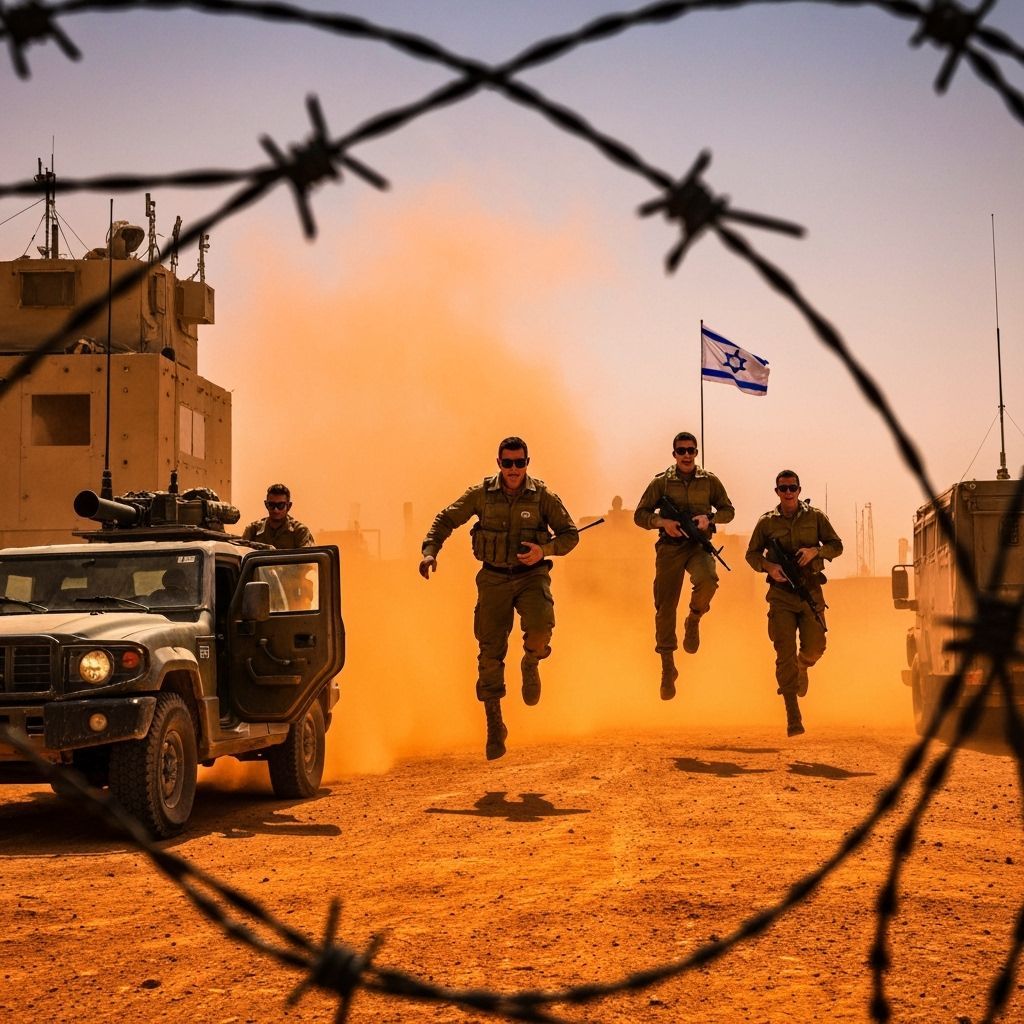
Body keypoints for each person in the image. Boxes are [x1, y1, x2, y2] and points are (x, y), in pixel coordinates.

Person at [419, 437, 579, 760]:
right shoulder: (481, 495)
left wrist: (543, 551)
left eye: (520, 463)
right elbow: (446, 519)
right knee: (489, 652)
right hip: (492, 578)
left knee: (540, 628)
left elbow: (570, 535)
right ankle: (495, 724)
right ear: (499, 463)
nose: (514, 470)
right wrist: (429, 552)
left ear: (527, 463)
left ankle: (531, 662)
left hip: (531, 577)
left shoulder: (542, 497)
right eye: (508, 463)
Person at [634, 432, 734, 700]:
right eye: (682, 451)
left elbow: (728, 510)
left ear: (696, 452)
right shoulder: (661, 483)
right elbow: (640, 515)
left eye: (691, 450)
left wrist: (709, 519)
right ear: (674, 454)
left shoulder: (709, 481)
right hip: (669, 548)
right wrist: (663, 523)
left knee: (709, 580)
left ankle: (694, 618)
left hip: (698, 546)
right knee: (665, 607)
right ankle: (668, 667)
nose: (687, 455)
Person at [745, 470, 843, 737]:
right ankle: (792, 713)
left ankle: (803, 666)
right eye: (783, 489)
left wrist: (816, 551)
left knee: (815, 647)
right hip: (781, 596)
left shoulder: (816, 517)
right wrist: (769, 566)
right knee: (783, 653)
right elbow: (751, 555)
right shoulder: (766, 523)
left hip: (810, 591)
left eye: (792, 488)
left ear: (799, 490)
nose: (788, 493)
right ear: (776, 491)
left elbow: (837, 545)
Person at [242, 484, 315, 549]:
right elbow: (241, 557)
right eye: (272, 505)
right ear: (266, 505)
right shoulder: (253, 530)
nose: (276, 510)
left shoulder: (300, 532)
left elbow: (308, 562)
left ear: (289, 506)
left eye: (280, 505)